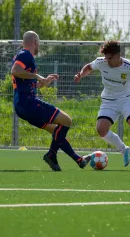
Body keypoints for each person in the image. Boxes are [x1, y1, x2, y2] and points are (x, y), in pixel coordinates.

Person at [74, 40, 130, 170]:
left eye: (110, 58)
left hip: (126, 99)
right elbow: (88, 67)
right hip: (108, 101)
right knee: (101, 130)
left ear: (117, 56)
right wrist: (81, 75)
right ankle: (124, 149)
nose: (107, 61)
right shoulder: (101, 62)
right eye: (106, 57)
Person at [12, 31, 88, 171]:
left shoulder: (21, 56)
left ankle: (78, 159)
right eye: (38, 43)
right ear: (35, 42)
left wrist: (43, 82)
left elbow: (25, 80)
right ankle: (51, 155)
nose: (38, 46)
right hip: (29, 104)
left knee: (56, 131)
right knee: (67, 121)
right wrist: (38, 76)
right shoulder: (25, 54)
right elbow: (15, 71)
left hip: (21, 106)